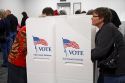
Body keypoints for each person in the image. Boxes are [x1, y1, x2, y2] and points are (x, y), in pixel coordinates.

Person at [91, 7, 125, 83]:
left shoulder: (108, 29)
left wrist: (83, 54)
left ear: (101, 18)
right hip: (110, 70)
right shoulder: (106, 28)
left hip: (114, 73)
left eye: (94, 16)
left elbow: (100, 51)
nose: (91, 18)